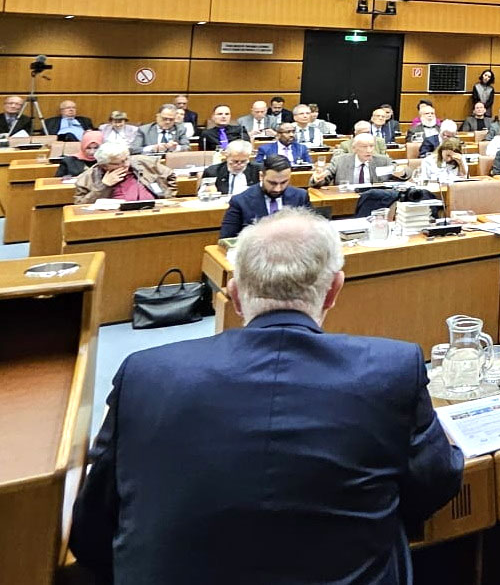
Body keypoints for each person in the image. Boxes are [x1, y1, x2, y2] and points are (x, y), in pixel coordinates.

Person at [73, 207, 463, 582]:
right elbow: (436, 481)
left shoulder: (144, 374)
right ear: (333, 291)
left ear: (235, 295)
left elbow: (92, 528)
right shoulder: (391, 369)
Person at [217, 155, 311, 238]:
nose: (277, 189)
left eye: (283, 182)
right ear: (261, 176)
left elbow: (311, 232)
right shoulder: (240, 201)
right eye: (272, 183)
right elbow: (226, 240)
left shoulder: (300, 197)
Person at [72, 141, 176, 204]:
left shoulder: (144, 162)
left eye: (126, 159)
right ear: (104, 165)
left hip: (154, 213)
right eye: (118, 163)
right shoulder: (86, 178)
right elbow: (81, 206)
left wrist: (167, 198)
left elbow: (170, 175)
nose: (126, 164)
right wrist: (104, 186)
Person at [310, 134, 408, 187]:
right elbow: (322, 180)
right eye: (364, 147)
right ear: (354, 148)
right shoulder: (340, 161)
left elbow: (406, 173)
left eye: (371, 146)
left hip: (374, 199)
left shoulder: (383, 161)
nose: (369, 150)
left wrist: (402, 172)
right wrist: (317, 178)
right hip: (347, 199)